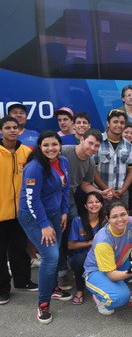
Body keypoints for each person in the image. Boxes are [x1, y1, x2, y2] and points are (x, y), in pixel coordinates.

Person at [17, 131, 72, 324]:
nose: (51, 148)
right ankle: (43, 304)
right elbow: (32, 200)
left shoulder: (63, 161)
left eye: (54, 144)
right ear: (40, 146)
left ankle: (53, 287)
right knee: (50, 256)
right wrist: (44, 225)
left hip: (55, 213)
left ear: (60, 145)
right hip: (33, 216)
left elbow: (65, 188)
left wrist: (64, 211)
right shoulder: (34, 168)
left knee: (55, 250)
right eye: (46, 145)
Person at [84, 201, 132, 315]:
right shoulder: (103, 240)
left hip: (119, 262)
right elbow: (112, 275)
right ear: (108, 219)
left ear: (128, 213)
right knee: (120, 297)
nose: (120, 219)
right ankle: (100, 296)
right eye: (114, 216)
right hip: (97, 271)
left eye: (123, 214)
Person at [60, 128, 108, 290]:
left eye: (96, 146)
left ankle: (72, 268)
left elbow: (86, 185)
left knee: (69, 234)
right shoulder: (64, 151)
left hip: (70, 200)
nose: (92, 148)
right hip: (53, 200)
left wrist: (101, 193)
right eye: (90, 143)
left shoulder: (89, 162)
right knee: (57, 236)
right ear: (81, 139)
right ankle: (61, 273)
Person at [0, 116, 37, 306]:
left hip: (20, 212)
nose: (12, 130)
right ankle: (2, 290)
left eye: (15, 127)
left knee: (19, 248)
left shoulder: (26, 152)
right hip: (0, 212)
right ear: (1, 131)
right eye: (8, 127)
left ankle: (22, 281)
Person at [67, 191, 105, 305]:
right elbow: (70, 245)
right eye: (90, 202)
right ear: (85, 205)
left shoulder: (106, 221)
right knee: (80, 260)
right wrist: (90, 243)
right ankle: (79, 290)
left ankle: (101, 289)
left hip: (100, 256)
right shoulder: (77, 220)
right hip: (81, 256)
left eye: (97, 202)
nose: (94, 205)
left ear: (102, 204)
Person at [94, 109, 132, 206]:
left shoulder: (128, 145)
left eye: (122, 122)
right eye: (115, 122)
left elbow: (131, 170)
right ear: (108, 124)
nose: (119, 125)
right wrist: (107, 190)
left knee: (122, 220)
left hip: (122, 194)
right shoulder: (98, 141)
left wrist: (123, 190)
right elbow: (93, 170)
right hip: (101, 194)